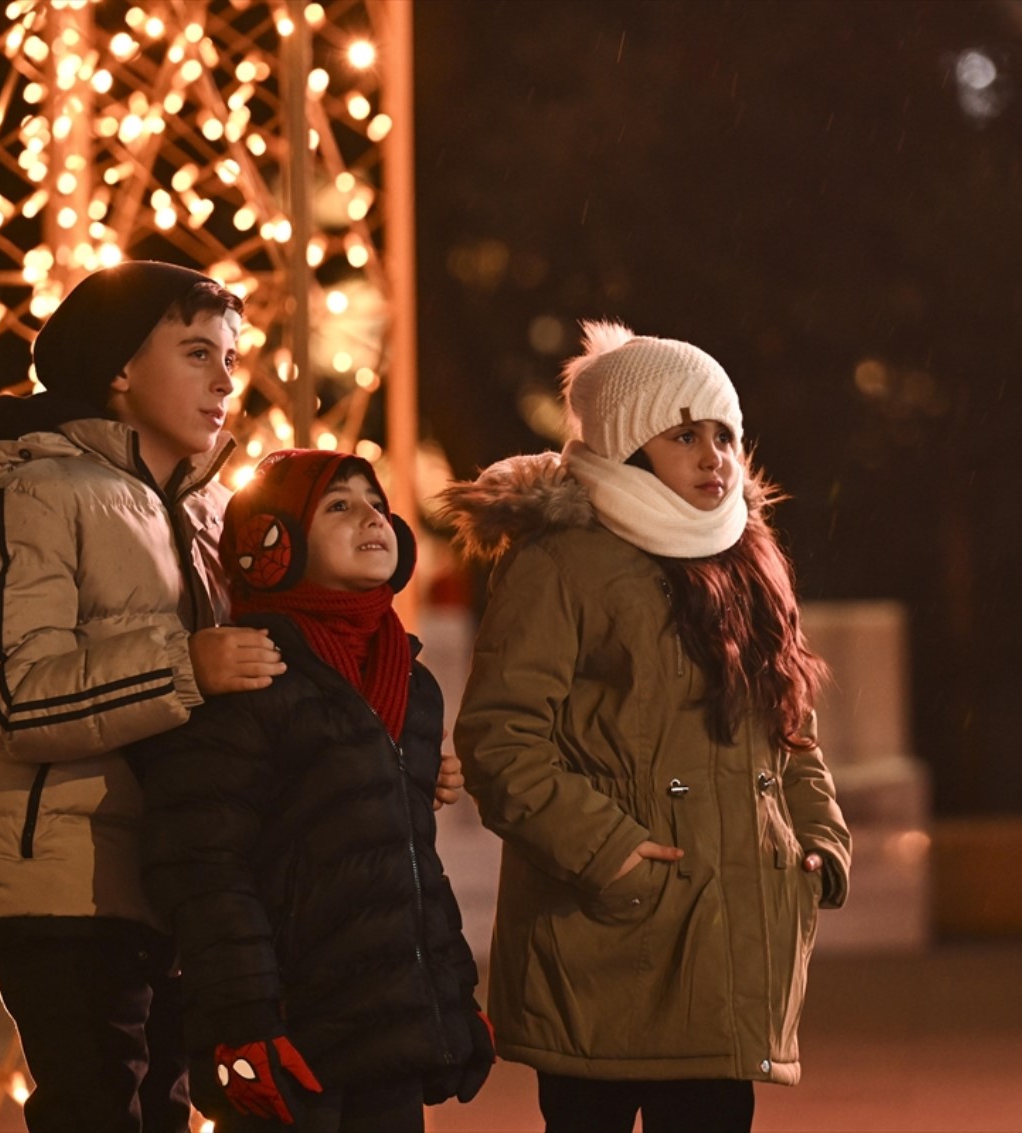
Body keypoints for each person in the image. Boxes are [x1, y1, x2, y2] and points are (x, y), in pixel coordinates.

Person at [439, 321, 851, 1133]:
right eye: (684, 434)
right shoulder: (562, 559)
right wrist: (611, 853)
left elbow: (785, 724)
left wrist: (816, 840)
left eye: (726, 433)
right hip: (604, 932)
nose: (715, 456)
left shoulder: (746, 555)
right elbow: (501, 737)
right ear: (626, 444)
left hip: (724, 938)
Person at [0, 261, 283, 1132]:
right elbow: (12, 694)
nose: (224, 379)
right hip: (64, 884)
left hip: (175, 874)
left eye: (231, 356)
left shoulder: (206, 513)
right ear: (119, 368)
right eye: (197, 351)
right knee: (97, 1110)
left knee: (164, 1110)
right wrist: (185, 666)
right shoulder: (32, 487)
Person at [131, 449, 494, 1132]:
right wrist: (247, 1019)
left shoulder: (411, 683)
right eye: (339, 505)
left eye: (377, 503)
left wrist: (452, 995)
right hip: (290, 1036)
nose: (372, 517)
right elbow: (202, 863)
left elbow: (411, 861)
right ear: (275, 544)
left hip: (386, 1037)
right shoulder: (251, 670)